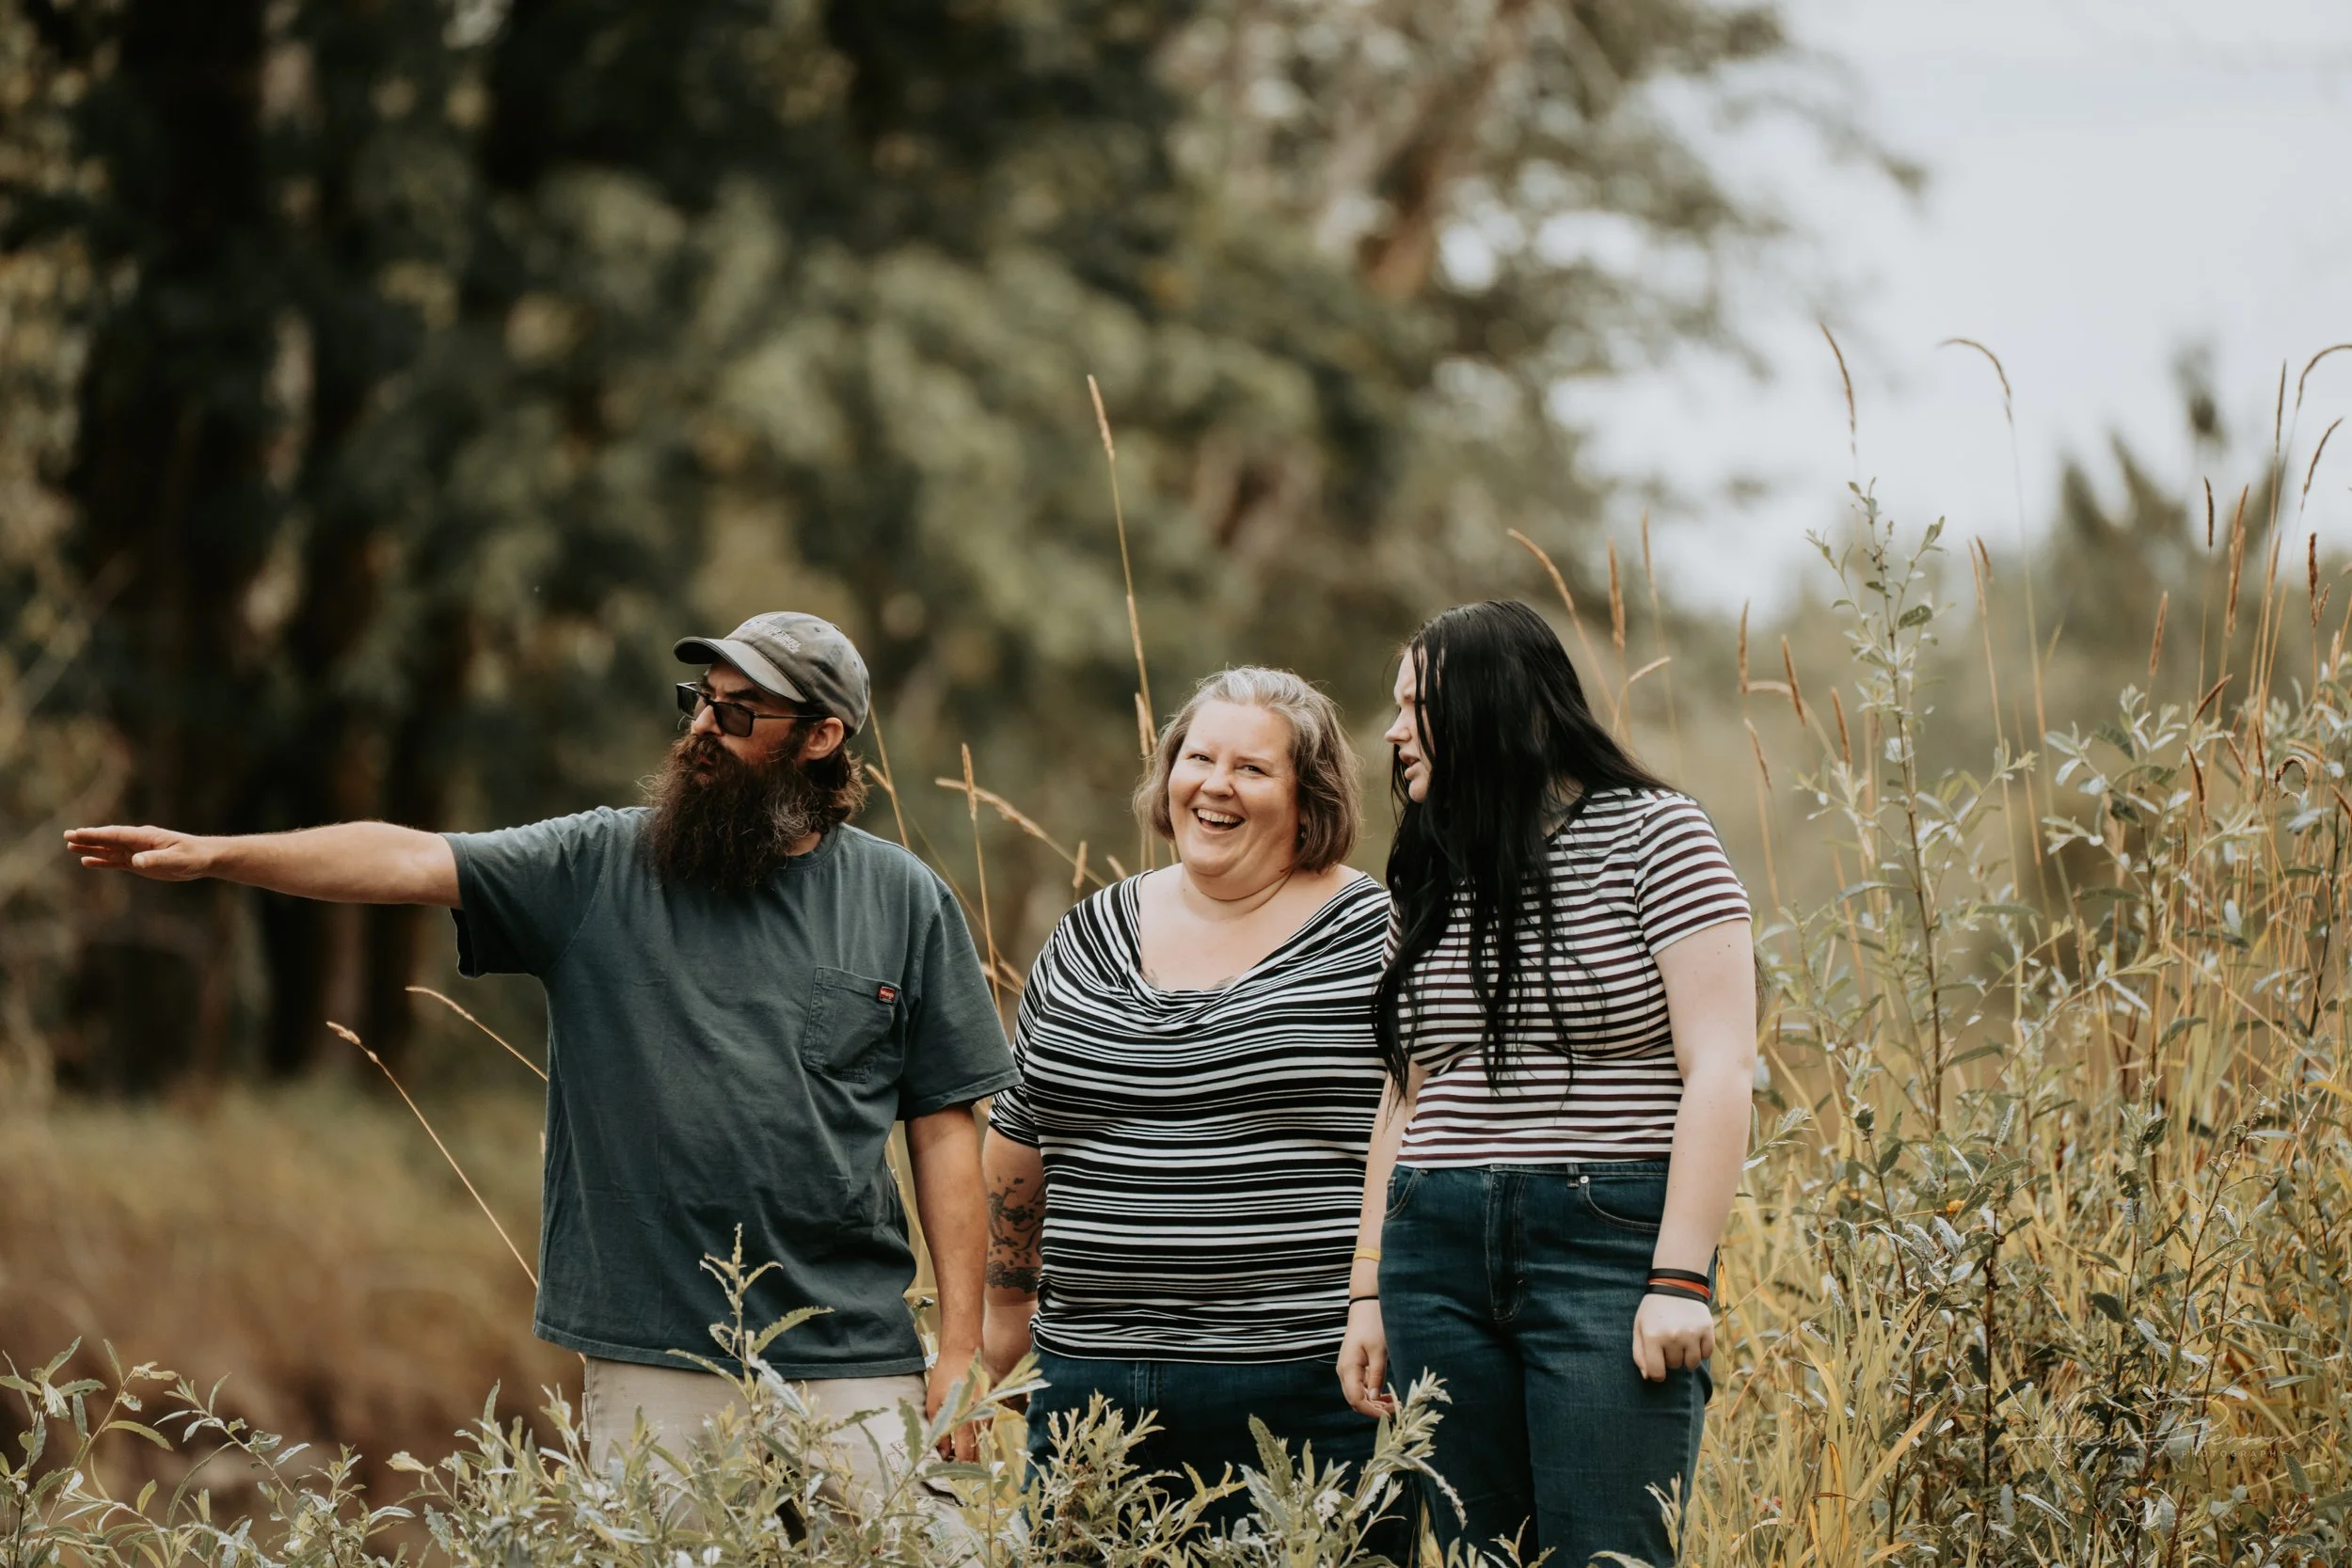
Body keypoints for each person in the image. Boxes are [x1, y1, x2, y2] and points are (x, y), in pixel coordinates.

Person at [66, 611, 1016, 1493]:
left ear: (821, 738)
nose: (702, 729)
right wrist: (221, 854)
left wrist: (961, 1349)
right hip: (656, 1358)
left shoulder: (903, 899)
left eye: (739, 711)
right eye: (700, 702)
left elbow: (942, 1133)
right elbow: (405, 856)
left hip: (854, 1355)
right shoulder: (597, 867)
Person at [1335, 600, 1756, 1566]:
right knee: (1489, 1554)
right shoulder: (1430, 867)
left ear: (1489, 706)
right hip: (1430, 1250)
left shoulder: (1658, 836)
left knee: (1609, 1551)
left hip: (1602, 1241)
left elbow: (1721, 1064)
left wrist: (1681, 1274)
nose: (1393, 731)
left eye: (1415, 704)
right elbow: (1403, 1094)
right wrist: (1367, 1293)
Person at [979, 667, 1401, 1544]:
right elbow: (1021, 1132)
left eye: (1252, 768)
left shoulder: (1378, 935)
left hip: (1306, 1386)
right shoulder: (1088, 933)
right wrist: (1003, 1322)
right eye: (1197, 757)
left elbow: (1426, 1135)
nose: (1214, 783)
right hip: (1087, 1385)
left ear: (1308, 796)